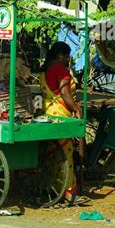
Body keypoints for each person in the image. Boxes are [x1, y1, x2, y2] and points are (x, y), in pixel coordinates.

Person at [39, 41, 86, 206]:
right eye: (67, 56)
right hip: (61, 115)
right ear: (60, 56)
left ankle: (51, 187)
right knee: (66, 155)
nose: (68, 60)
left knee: (52, 154)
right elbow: (65, 92)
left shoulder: (46, 69)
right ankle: (69, 192)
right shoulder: (59, 69)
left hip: (47, 113)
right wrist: (77, 109)